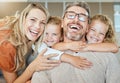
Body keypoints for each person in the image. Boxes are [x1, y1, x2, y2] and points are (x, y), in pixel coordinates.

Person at [31, 1, 120, 83]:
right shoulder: (47, 57)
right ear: (62, 23)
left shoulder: (107, 56)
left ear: (87, 27)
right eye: (70, 15)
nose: (76, 20)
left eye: (82, 17)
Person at [0, 3, 62, 83]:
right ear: (23, 19)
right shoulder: (7, 45)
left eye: (42, 23)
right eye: (33, 20)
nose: (37, 26)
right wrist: (32, 67)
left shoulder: (20, 26)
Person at [52, 14, 118, 53]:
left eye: (101, 33)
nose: (96, 35)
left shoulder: (102, 46)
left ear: (105, 36)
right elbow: (55, 47)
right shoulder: (78, 41)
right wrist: (69, 45)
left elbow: (114, 47)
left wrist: (86, 47)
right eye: (93, 30)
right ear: (86, 29)